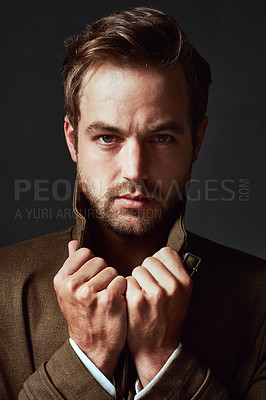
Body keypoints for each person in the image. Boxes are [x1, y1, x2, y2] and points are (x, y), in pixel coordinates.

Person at [0, 6, 265, 400]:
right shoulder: (2, 289)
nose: (135, 171)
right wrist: (85, 359)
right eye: (107, 137)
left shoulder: (261, 301)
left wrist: (163, 360)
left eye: (161, 138)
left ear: (198, 139)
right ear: (73, 140)